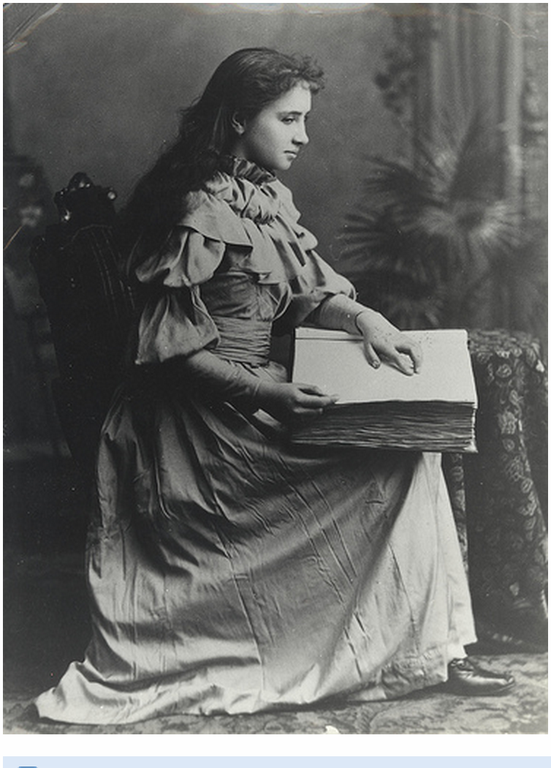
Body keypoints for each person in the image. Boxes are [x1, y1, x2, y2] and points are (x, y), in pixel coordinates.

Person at [35, 48, 514, 725]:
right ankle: (407, 649)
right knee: (398, 457)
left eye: (305, 120)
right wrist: (270, 396)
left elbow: (306, 294)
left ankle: (427, 646)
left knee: (411, 442)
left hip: (253, 394)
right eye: (288, 119)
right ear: (236, 118)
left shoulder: (261, 197)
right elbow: (170, 356)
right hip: (195, 420)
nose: (302, 135)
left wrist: (366, 319)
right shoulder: (194, 206)